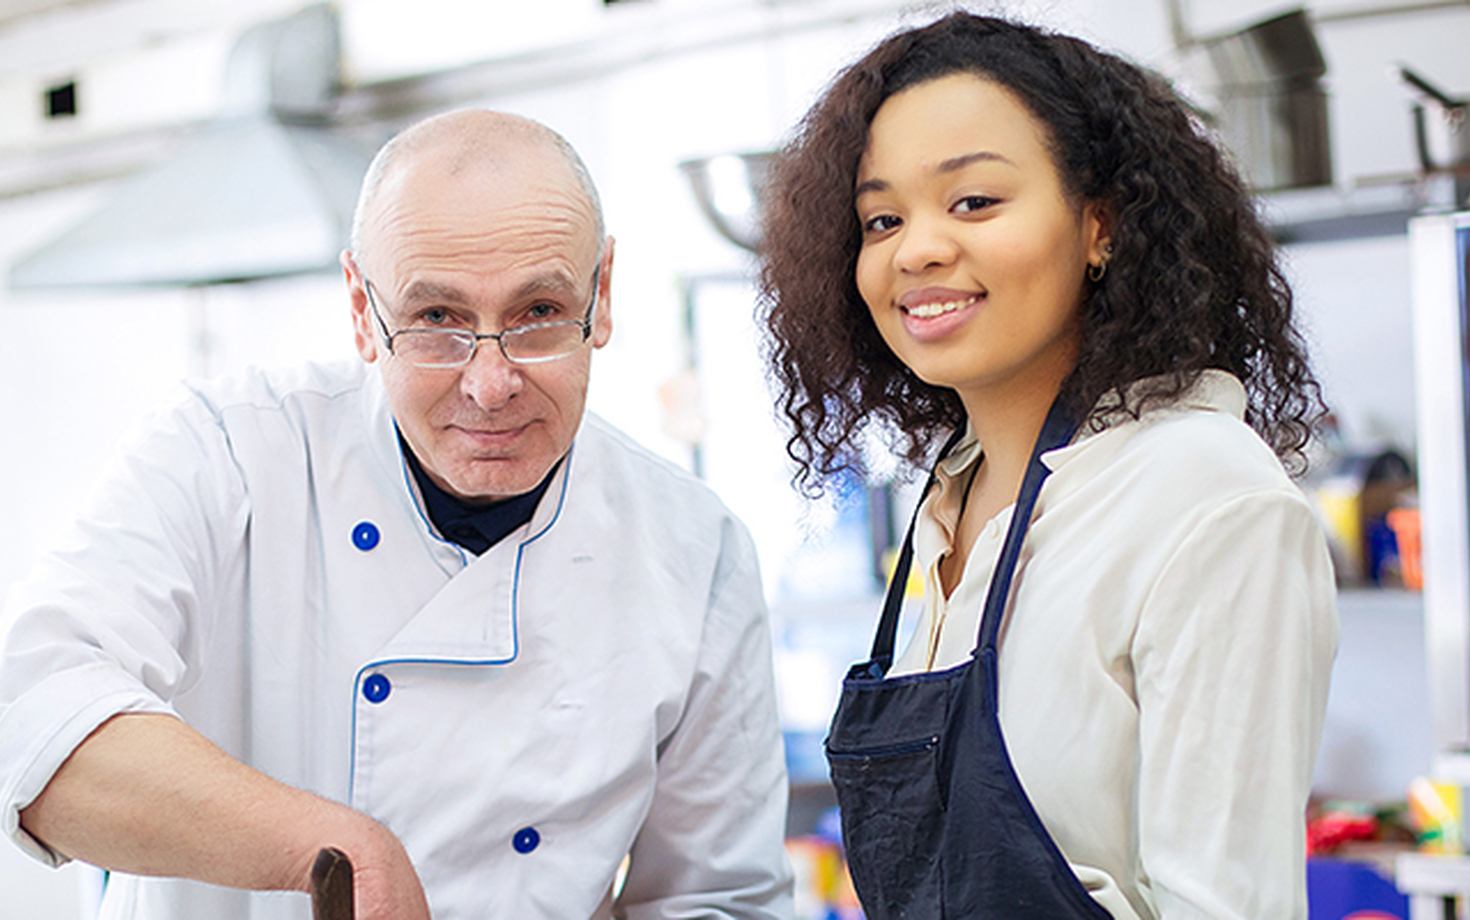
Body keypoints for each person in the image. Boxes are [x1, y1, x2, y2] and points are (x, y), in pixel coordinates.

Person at [0, 109, 794, 920]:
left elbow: (718, 900)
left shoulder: (694, 550)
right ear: (359, 309)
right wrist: (342, 854)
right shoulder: (229, 455)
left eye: (539, 313)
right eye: (437, 321)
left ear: (603, 292)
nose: (491, 385)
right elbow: (27, 709)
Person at [758, 13, 1336, 920]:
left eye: (975, 201)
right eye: (881, 218)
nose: (918, 249)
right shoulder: (953, 494)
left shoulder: (1205, 497)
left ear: (1100, 224)